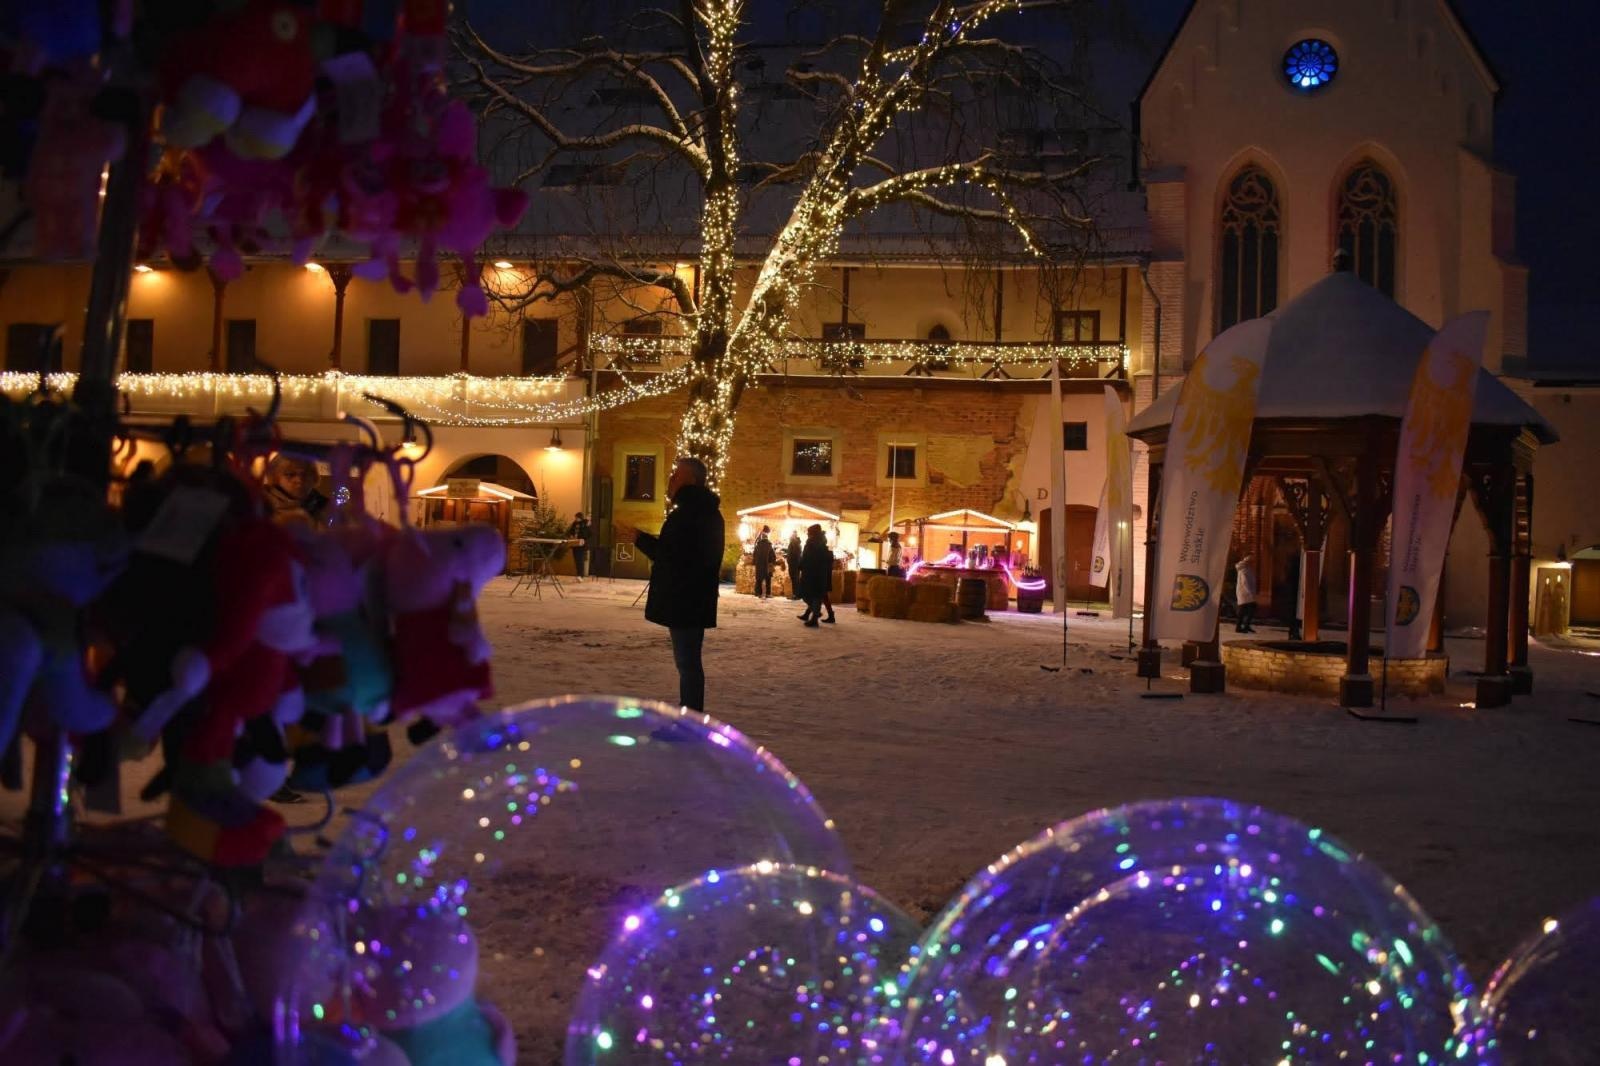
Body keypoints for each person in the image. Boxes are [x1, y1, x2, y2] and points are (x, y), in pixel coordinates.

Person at [635, 457, 725, 711]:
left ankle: (690, 720)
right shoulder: (702, 512)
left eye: (676, 475)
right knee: (688, 663)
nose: (671, 480)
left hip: (686, 600)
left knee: (687, 664)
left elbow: (671, 555)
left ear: (691, 480)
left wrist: (639, 539)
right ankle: (690, 715)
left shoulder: (689, 513)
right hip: (691, 599)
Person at [264, 455, 327, 531]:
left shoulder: (326, 507)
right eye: (290, 475)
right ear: (275, 477)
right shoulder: (262, 507)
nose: (299, 480)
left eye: (305, 474)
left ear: (314, 477)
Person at [797, 523, 835, 626]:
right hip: (820, 573)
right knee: (818, 595)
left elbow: (806, 557)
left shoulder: (811, 543)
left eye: (808, 532)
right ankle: (815, 615)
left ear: (812, 533)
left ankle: (815, 615)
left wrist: (800, 565)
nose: (807, 534)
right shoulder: (822, 543)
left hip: (811, 573)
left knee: (809, 594)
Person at [1234, 553, 1258, 633]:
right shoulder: (1244, 569)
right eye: (1252, 561)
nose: (1253, 562)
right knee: (1248, 609)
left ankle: (1244, 626)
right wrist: (1250, 593)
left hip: (1246, 593)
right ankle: (1241, 626)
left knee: (1244, 610)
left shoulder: (1247, 568)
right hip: (1245, 593)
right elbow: (1245, 583)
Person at [751, 524, 776, 599]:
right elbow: (773, 556)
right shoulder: (769, 545)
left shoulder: (757, 545)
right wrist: (772, 562)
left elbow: (754, 555)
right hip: (767, 565)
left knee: (759, 579)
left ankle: (758, 593)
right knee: (768, 579)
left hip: (759, 565)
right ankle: (768, 593)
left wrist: (755, 562)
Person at [567, 511, 592, 581]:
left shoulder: (584, 524)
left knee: (580, 559)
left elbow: (589, 533)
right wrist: (571, 535)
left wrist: (583, 539)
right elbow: (571, 531)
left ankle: (580, 575)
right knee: (576, 559)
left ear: (580, 517)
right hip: (575, 543)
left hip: (581, 544)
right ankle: (578, 574)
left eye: (577, 518)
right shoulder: (574, 523)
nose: (575, 519)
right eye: (575, 518)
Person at [784, 530, 803, 599]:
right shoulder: (795, 543)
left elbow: (795, 554)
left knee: (795, 579)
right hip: (794, 564)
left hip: (794, 564)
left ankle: (796, 595)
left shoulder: (794, 543)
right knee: (795, 579)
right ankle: (796, 594)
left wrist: (789, 558)